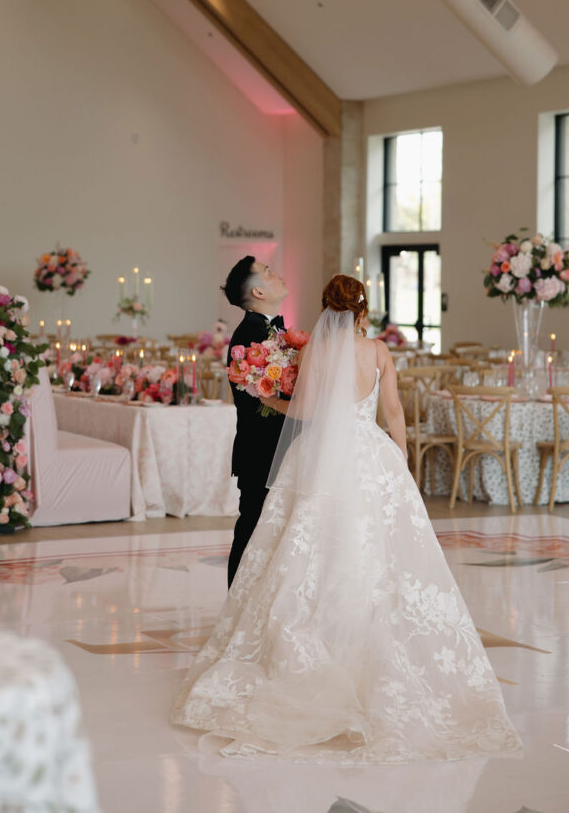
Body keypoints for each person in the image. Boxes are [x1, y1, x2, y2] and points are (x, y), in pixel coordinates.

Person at [172, 275, 521, 764]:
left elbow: (307, 411)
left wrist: (262, 395)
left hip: (318, 459)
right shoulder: (378, 351)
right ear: (363, 310)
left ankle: (311, 647)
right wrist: (399, 460)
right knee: (378, 554)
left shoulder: (318, 349)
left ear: (325, 309)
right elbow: (394, 410)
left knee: (309, 551)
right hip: (371, 457)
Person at [222, 256, 289, 587]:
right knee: (252, 527)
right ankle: (237, 607)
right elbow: (264, 400)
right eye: (268, 272)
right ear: (259, 292)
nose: (277, 274)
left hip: (280, 448)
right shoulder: (249, 336)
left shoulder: (274, 328)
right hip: (262, 449)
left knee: (271, 530)